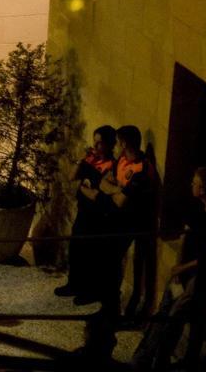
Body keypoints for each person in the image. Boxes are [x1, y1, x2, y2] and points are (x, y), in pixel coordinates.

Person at [131, 166, 206, 371]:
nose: (191, 185)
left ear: (203, 188)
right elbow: (184, 238)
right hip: (185, 268)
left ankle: (160, 361)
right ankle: (143, 358)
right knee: (163, 311)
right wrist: (177, 269)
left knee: (175, 316)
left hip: (201, 273)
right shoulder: (195, 207)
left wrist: (183, 268)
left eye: (195, 182)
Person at [88, 125, 154, 313]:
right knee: (108, 263)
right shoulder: (122, 160)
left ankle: (113, 309)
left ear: (124, 143)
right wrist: (118, 189)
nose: (115, 146)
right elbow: (103, 183)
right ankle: (107, 305)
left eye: (117, 142)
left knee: (116, 264)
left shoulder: (141, 169)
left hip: (130, 225)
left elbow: (120, 201)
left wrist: (114, 190)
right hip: (114, 220)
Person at [56, 126, 116, 301]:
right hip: (83, 211)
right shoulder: (91, 160)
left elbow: (98, 194)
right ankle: (73, 284)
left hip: (97, 216)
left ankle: (89, 291)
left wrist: (83, 189)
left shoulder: (111, 166)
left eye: (100, 143)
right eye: (94, 141)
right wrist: (81, 160)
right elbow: (71, 177)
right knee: (76, 249)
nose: (95, 146)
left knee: (91, 253)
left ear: (110, 144)